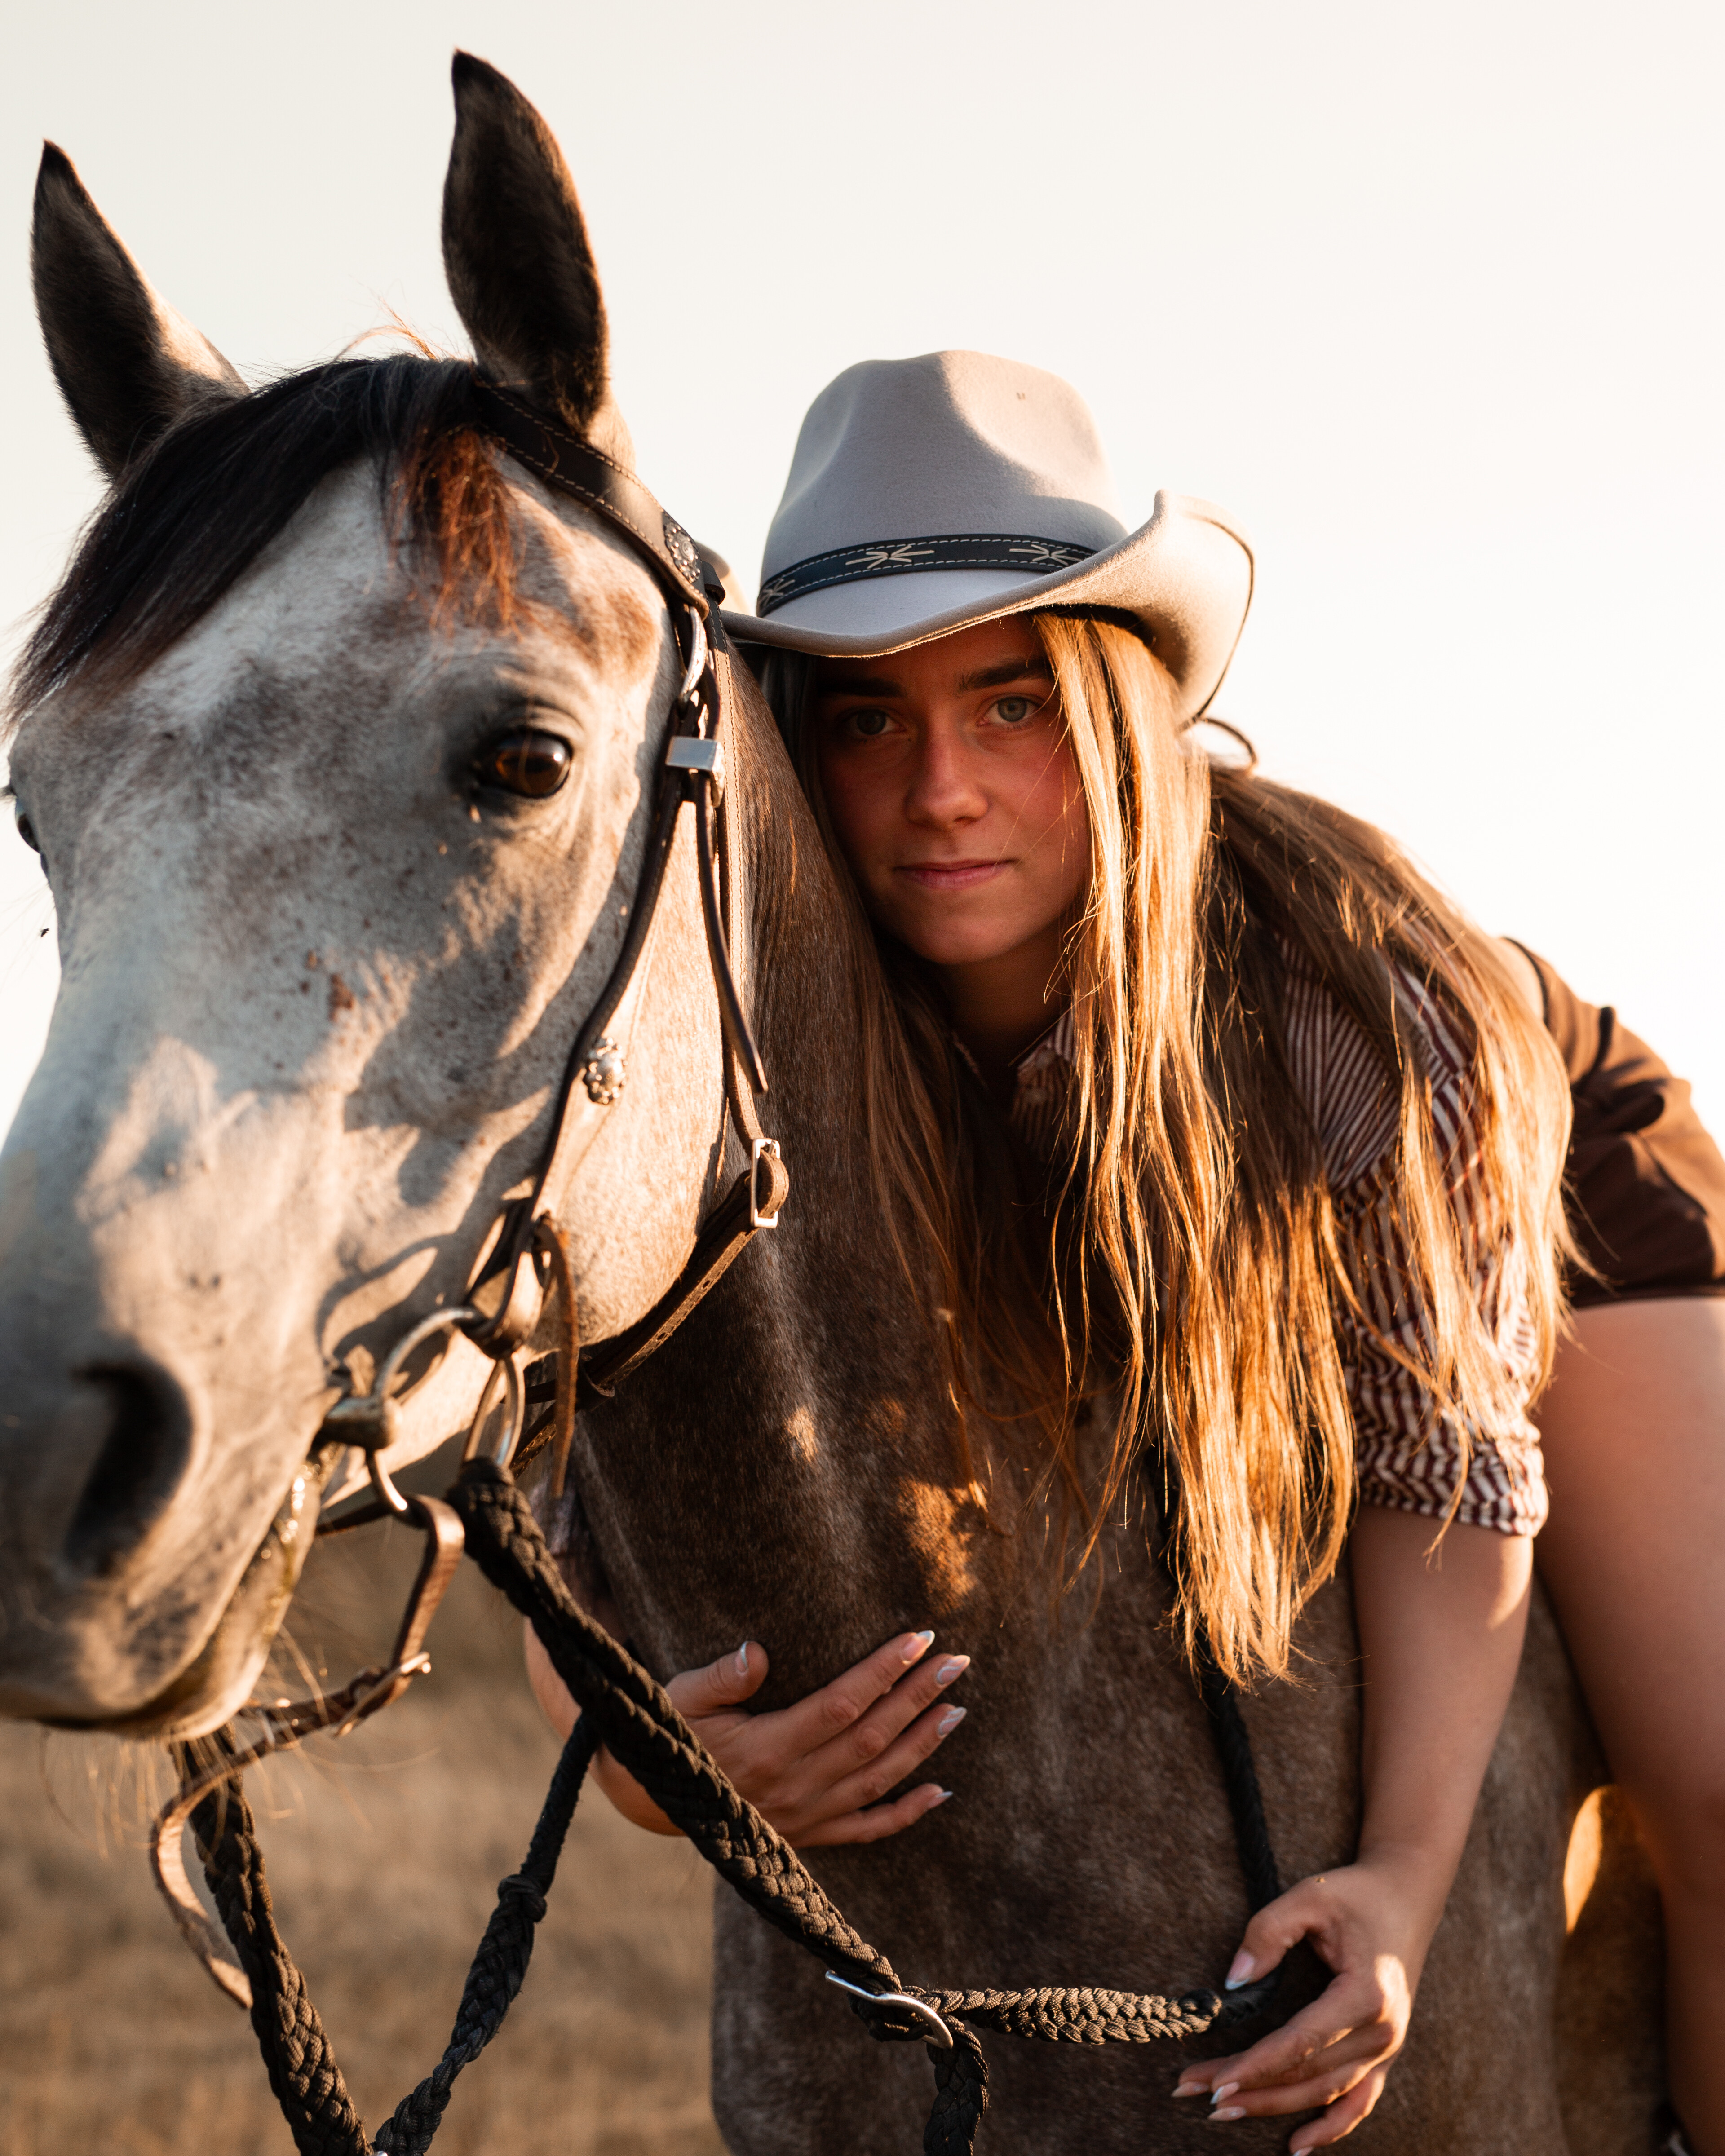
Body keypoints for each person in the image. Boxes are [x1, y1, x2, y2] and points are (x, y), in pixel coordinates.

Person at [525, 353, 1723, 2152]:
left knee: (1720, 1790)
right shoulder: (754, 1009)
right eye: (868, 720)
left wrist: (1402, 1883)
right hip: (1087, 1200)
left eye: (1010, 705)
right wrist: (644, 1760)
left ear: (1117, 709)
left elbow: (1441, 1458)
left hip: (1541, 1190)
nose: (941, 790)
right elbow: (587, 1459)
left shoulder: (1350, 993)